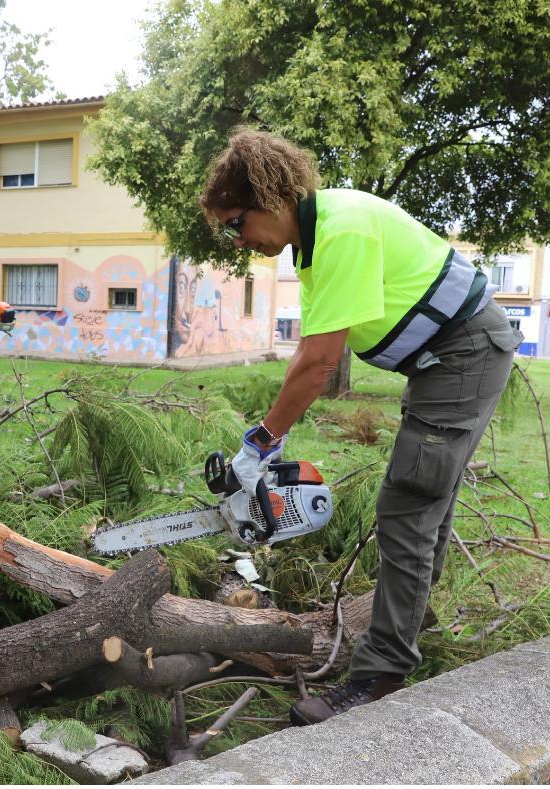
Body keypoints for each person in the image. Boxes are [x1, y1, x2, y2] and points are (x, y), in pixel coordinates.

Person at [200, 130, 521, 726]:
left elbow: (319, 364)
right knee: (426, 501)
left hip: (462, 354)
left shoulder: (341, 229)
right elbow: (311, 353)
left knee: (407, 503)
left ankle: (378, 677)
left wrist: (260, 445)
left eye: (236, 223)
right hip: (446, 360)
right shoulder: (314, 244)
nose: (238, 239)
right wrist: (268, 437)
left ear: (269, 198)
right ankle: (408, 621)